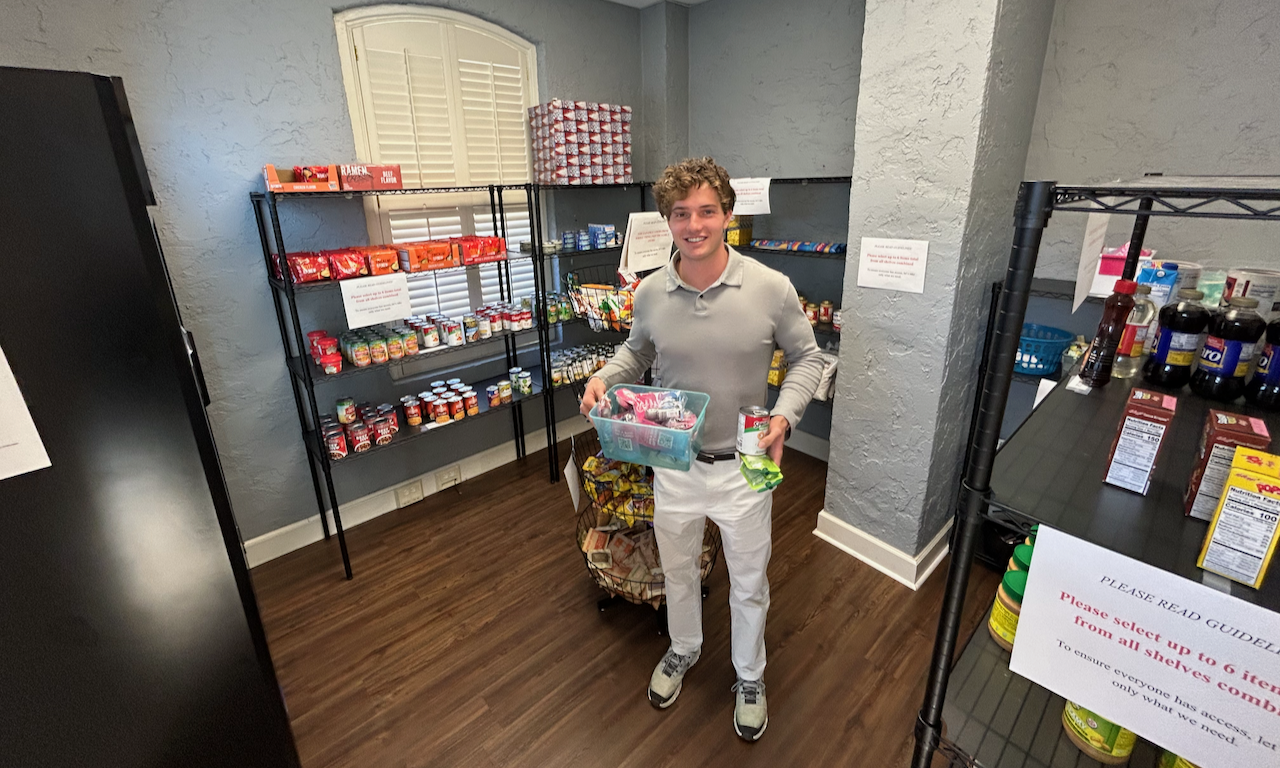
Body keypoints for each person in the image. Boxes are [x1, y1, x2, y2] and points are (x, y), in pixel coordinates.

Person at [580, 157, 825, 741]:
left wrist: (785, 419)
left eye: (706, 211)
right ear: (667, 220)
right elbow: (636, 354)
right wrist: (604, 378)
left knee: (748, 581)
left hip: (746, 463)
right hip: (676, 463)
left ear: (726, 216)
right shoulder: (649, 294)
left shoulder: (770, 288)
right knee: (678, 570)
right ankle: (684, 647)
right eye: (681, 213)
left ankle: (749, 676)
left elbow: (808, 359)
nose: (694, 225)